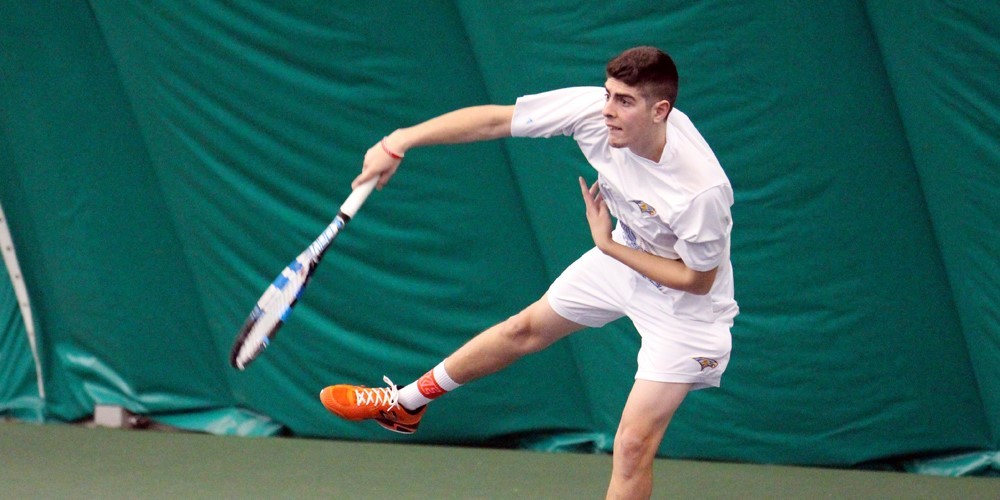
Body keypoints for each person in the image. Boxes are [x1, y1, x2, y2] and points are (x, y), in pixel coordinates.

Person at [319, 46, 737, 499]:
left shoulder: (701, 191)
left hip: (688, 309)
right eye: (609, 94)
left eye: (625, 102)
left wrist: (607, 245)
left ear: (661, 110)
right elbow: (496, 120)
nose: (608, 111)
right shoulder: (595, 114)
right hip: (626, 257)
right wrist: (399, 140)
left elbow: (697, 280)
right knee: (524, 329)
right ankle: (405, 405)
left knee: (633, 444)